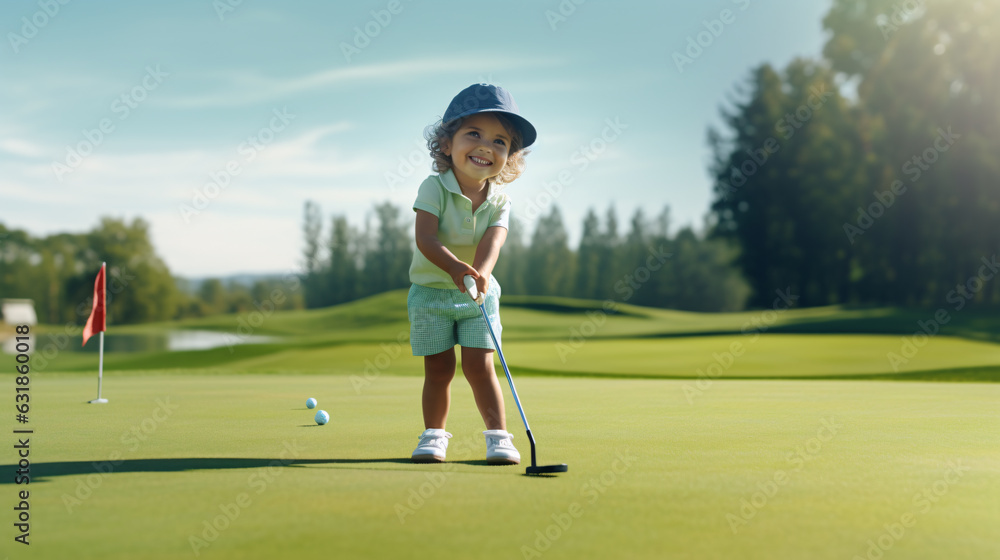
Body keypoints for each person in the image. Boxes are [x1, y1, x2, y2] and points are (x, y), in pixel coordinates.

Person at [407, 84, 536, 465]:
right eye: (474, 134)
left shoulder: (500, 201)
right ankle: (433, 436)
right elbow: (425, 237)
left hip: (479, 295)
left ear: (509, 157)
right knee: (440, 367)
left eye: (499, 141)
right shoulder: (434, 188)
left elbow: (493, 243)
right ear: (447, 144)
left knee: (481, 366)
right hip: (431, 294)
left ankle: (499, 437)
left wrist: (478, 274)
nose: (485, 146)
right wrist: (453, 267)